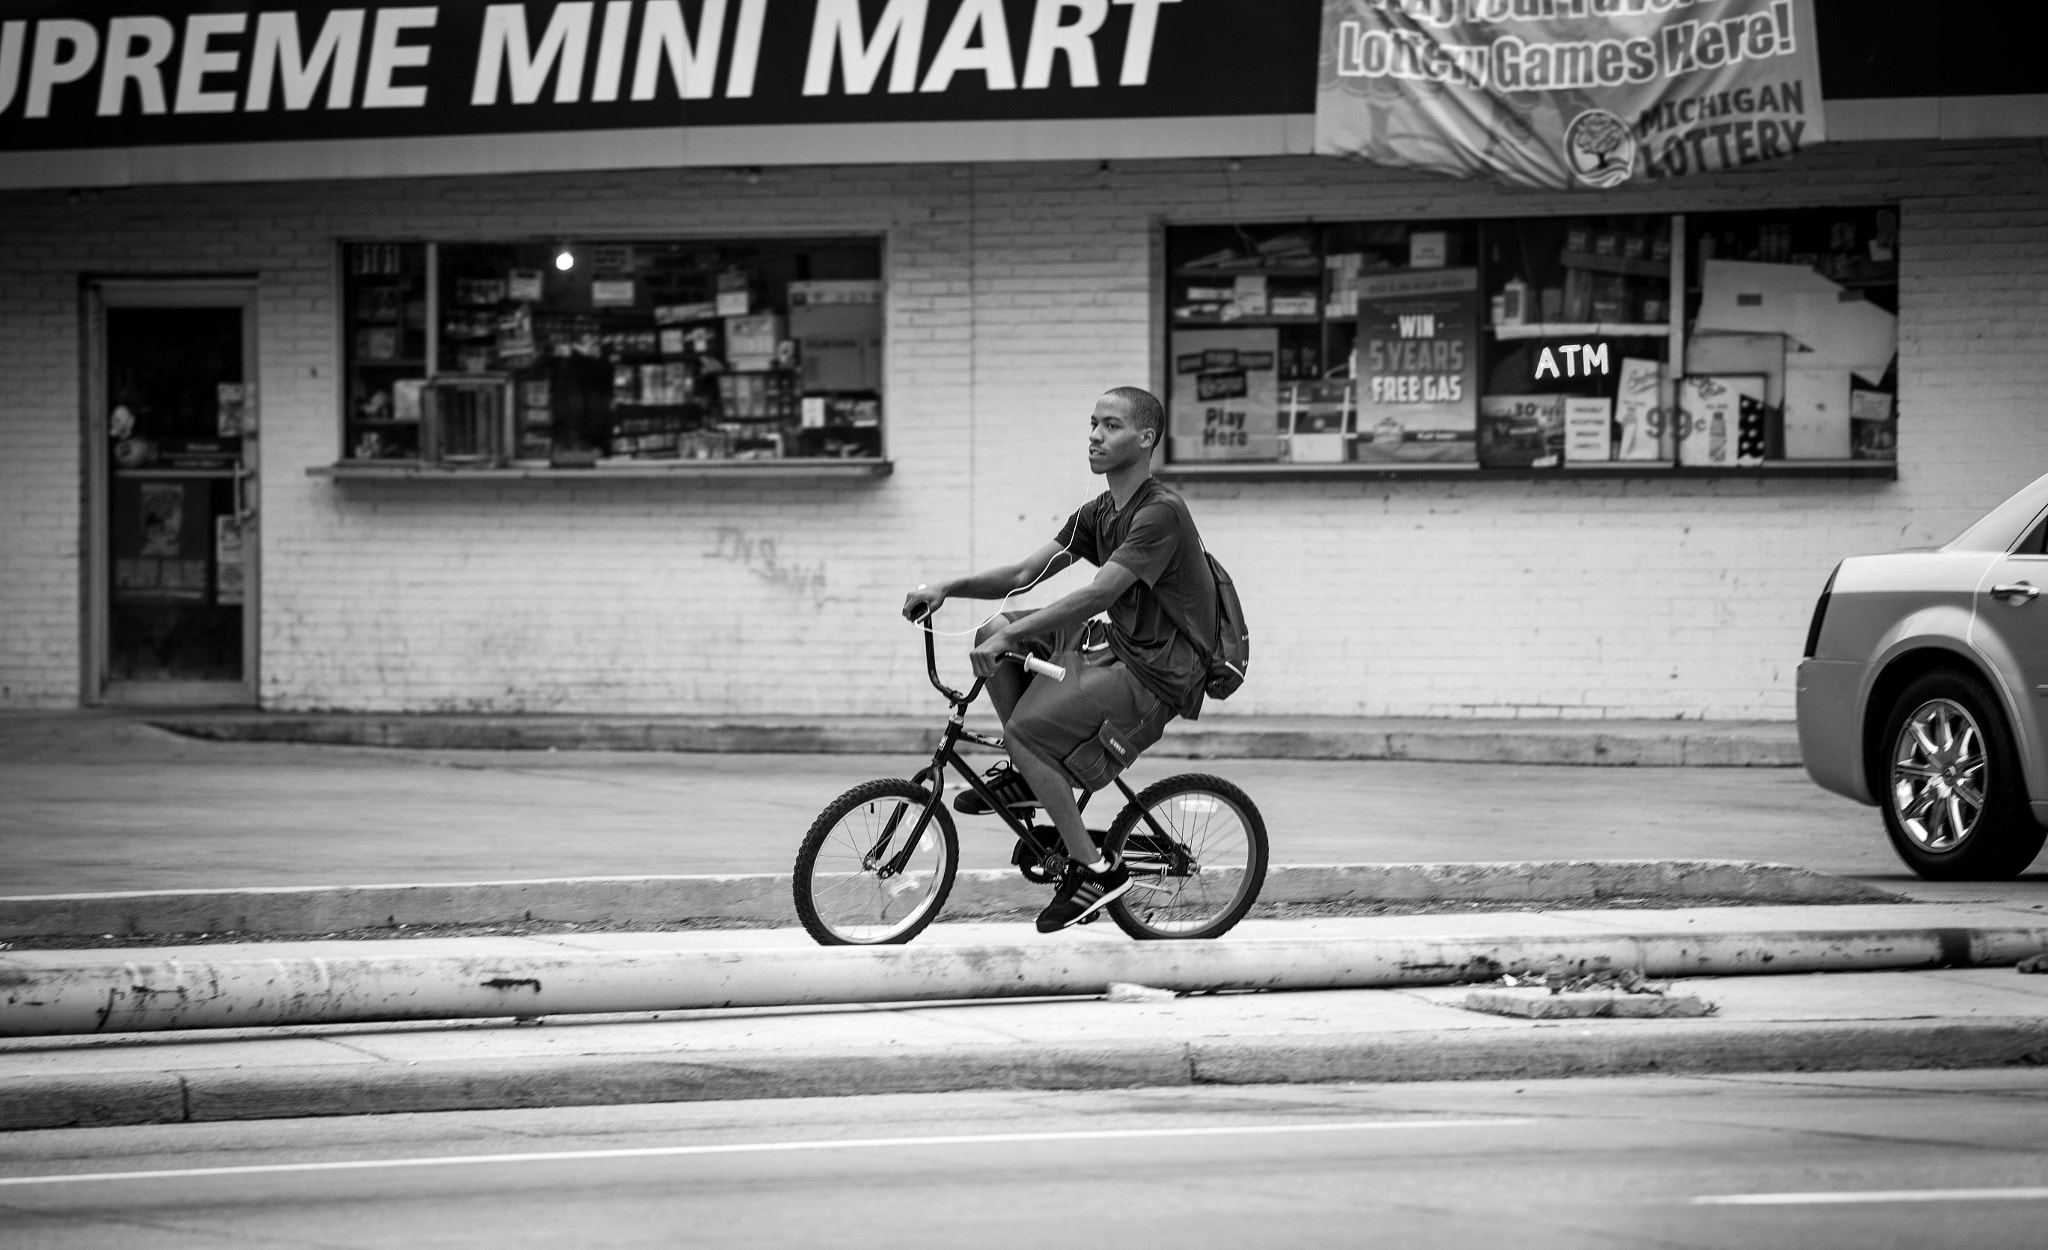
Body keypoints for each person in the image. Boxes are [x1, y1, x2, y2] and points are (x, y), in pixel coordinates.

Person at [902, 386, 1217, 932]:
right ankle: (1035, 774)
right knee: (996, 625)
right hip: (1116, 647)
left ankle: (1096, 870)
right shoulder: (1100, 511)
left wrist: (1011, 639)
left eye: (1111, 426)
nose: (1095, 435)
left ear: (1145, 439)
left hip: (1157, 672)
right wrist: (947, 585)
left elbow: (1099, 595)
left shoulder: (1160, 512)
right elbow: (1024, 576)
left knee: (1025, 728)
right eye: (1092, 423)